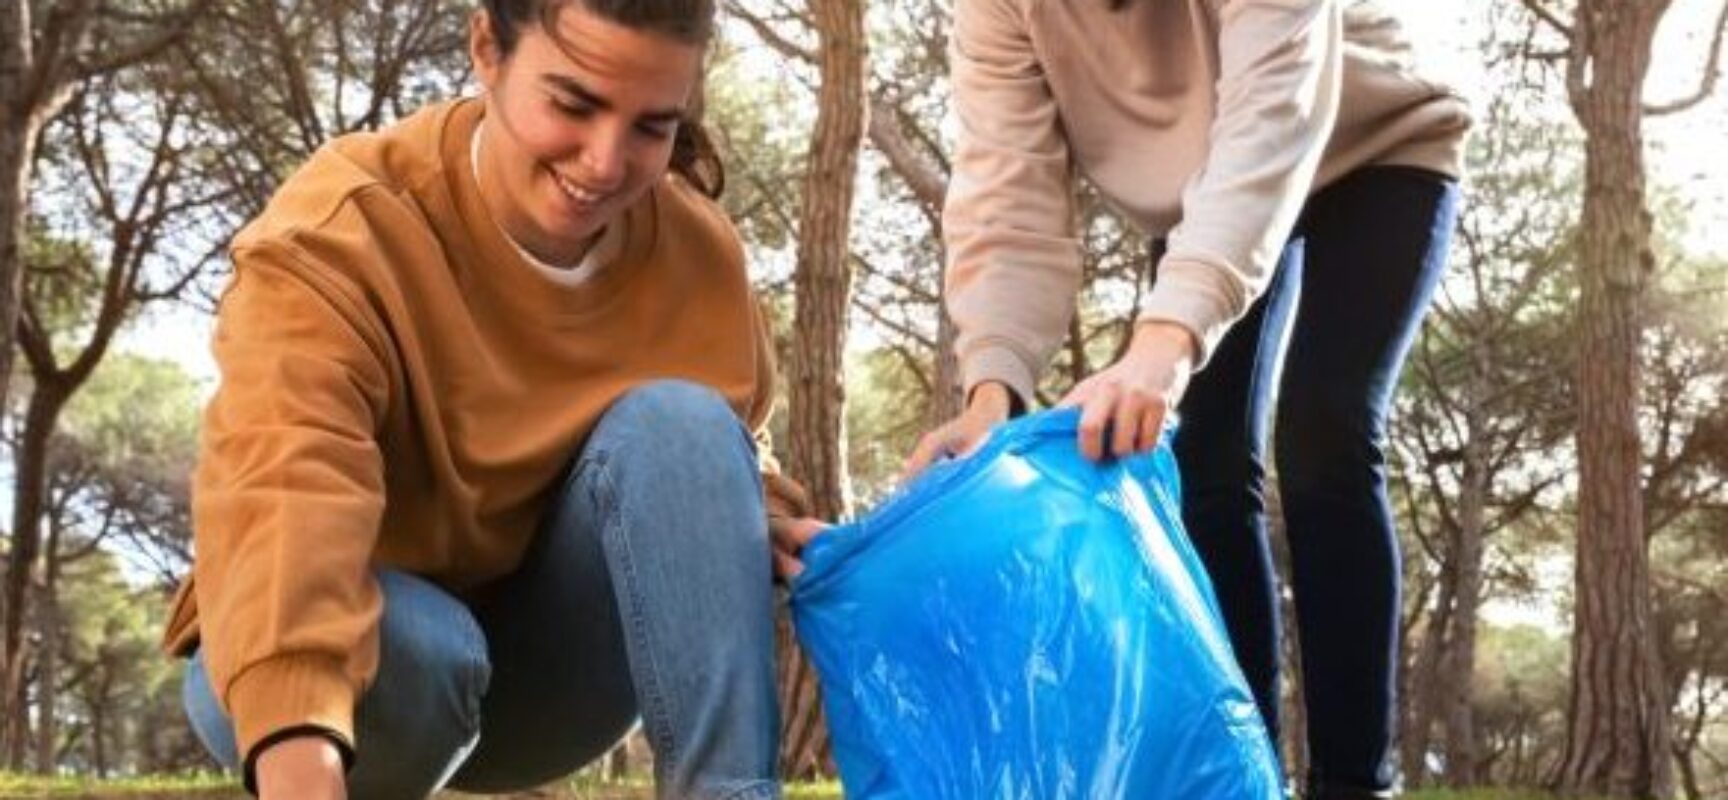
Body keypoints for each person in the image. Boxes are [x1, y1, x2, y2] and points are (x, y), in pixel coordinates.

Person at [159, 0, 826, 797]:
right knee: (432, 645)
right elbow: (282, 498)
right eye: (572, 104)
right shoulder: (343, 227)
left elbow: (725, 449)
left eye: (653, 127)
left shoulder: (697, 249)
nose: (605, 162)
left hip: (550, 683)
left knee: (682, 425)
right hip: (364, 675)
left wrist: (753, 519)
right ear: (487, 48)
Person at [904, 1, 1469, 797]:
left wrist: (1164, 347)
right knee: (1201, 458)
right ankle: (1245, 774)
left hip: (1374, 140)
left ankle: (1354, 781)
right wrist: (992, 391)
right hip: (1200, 184)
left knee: (1325, 429)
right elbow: (1008, 182)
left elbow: (1270, 117)